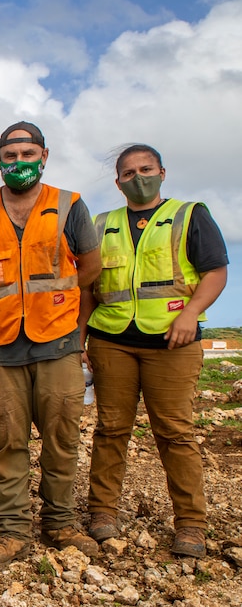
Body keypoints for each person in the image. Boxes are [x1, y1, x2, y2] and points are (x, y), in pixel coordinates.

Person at [0, 121, 101, 568]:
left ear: (44, 156)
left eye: (27, 154)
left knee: (61, 437)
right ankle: (13, 531)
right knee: (8, 441)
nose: (19, 163)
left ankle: (61, 522)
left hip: (57, 341)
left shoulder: (69, 205)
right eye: (10, 156)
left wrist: (56, 307)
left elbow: (89, 268)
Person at [82, 144, 228, 558]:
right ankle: (102, 514)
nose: (138, 177)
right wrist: (81, 339)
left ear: (162, 172)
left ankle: (192, 525)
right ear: (118, 182)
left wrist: (192, 314)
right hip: (112, 340)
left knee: (175, 433)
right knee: (110, 430)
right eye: (128, 173)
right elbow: (90, 289)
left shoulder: (188, 215)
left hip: (172, 341)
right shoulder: (102, 223)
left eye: (145, 169)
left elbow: (215, 271)